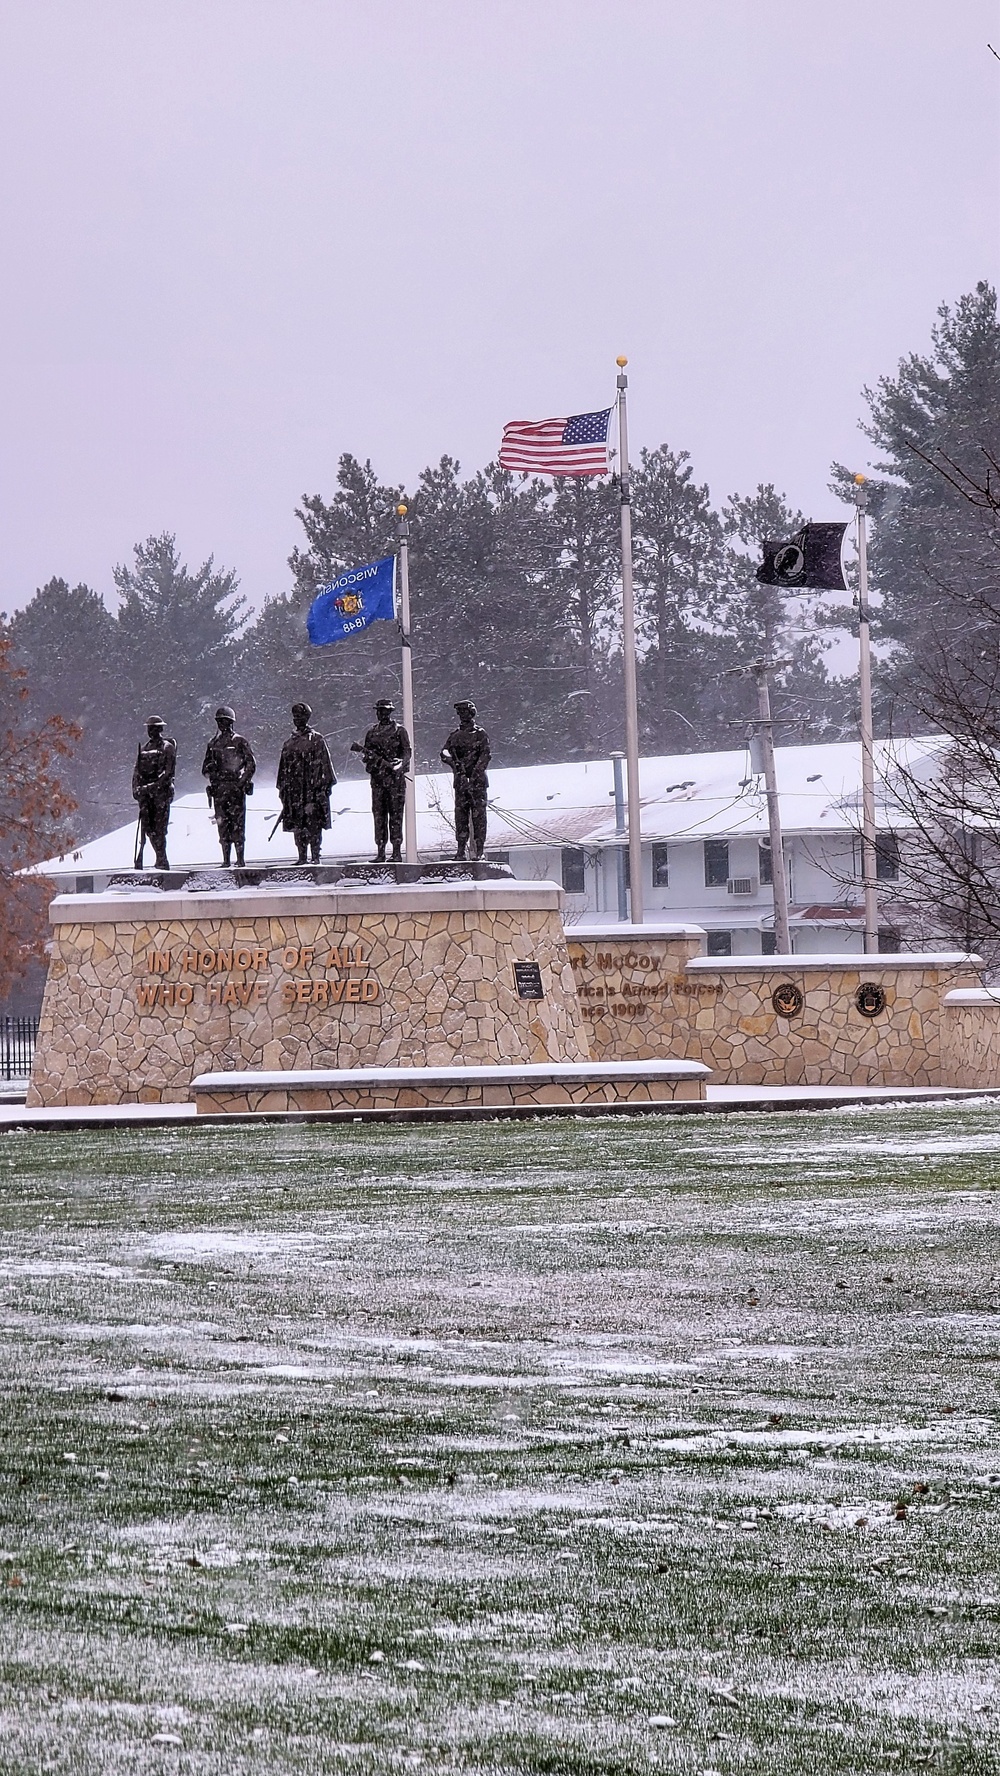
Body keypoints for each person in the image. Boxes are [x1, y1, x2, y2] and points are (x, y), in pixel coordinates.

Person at [350, 698, 411, 862]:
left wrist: (400, 763)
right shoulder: (371, 732)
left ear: (390, 712)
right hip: (378, 781)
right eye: (379, 711)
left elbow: (407, 753)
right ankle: (381, 851)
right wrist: (373, 761)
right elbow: (366, 755)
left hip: (395, 782)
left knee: (396, 817)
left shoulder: (400, 731)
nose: (381, 714)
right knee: (379, 817)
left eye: (384, 711)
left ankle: (396, 852)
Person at [276, 702, 337, 863]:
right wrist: (284, 792)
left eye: (301, 717)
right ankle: (302, 856)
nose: (298, 720)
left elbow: (326, 768)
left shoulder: (317, 740)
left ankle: (315, 856)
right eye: (295, 717)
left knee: (314, 826)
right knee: (298, 825)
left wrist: (322, 790)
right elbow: (283, 772)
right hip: (295, 793)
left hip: (313, 792)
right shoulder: (288, 744)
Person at [201, 706, 256, 868]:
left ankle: (240, 859)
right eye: (219, 721)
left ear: (231, 722)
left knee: (237, 824)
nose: (221, 724)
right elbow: (204, 768)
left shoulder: (240, 741)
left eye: (224, 721)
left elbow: (251, 764)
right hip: (219, 789)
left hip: (235, 788)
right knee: (223, 825)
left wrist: (242, 782)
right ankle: (226, 859)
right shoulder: (213, 744)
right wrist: (211, 774)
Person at [440, 699, 491, 860]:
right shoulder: (454, 736)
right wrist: (456, 766)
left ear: (471, 713)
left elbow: (485, 756)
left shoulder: (480, 734)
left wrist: (474, 774)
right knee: (460, 817)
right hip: (461, 782)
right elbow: (444, 753)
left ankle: (479, 850)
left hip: (477, 783)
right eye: (460, 713)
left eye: (465, 712)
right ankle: (460, 850)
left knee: (479, 818)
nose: (462, 716)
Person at [131, 716, 176, 870]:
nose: (152, 731)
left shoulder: (167, 748)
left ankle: (162, 859)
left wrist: (150, 787)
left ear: (160, 729)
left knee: (160, 828)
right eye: (150, 728)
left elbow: (167, 773)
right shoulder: (143, 750)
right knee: (149, 829)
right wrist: (136, 790)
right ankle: (159, 857)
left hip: (160, 795)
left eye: (155, 728)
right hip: (146, 796)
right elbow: (136, 772)